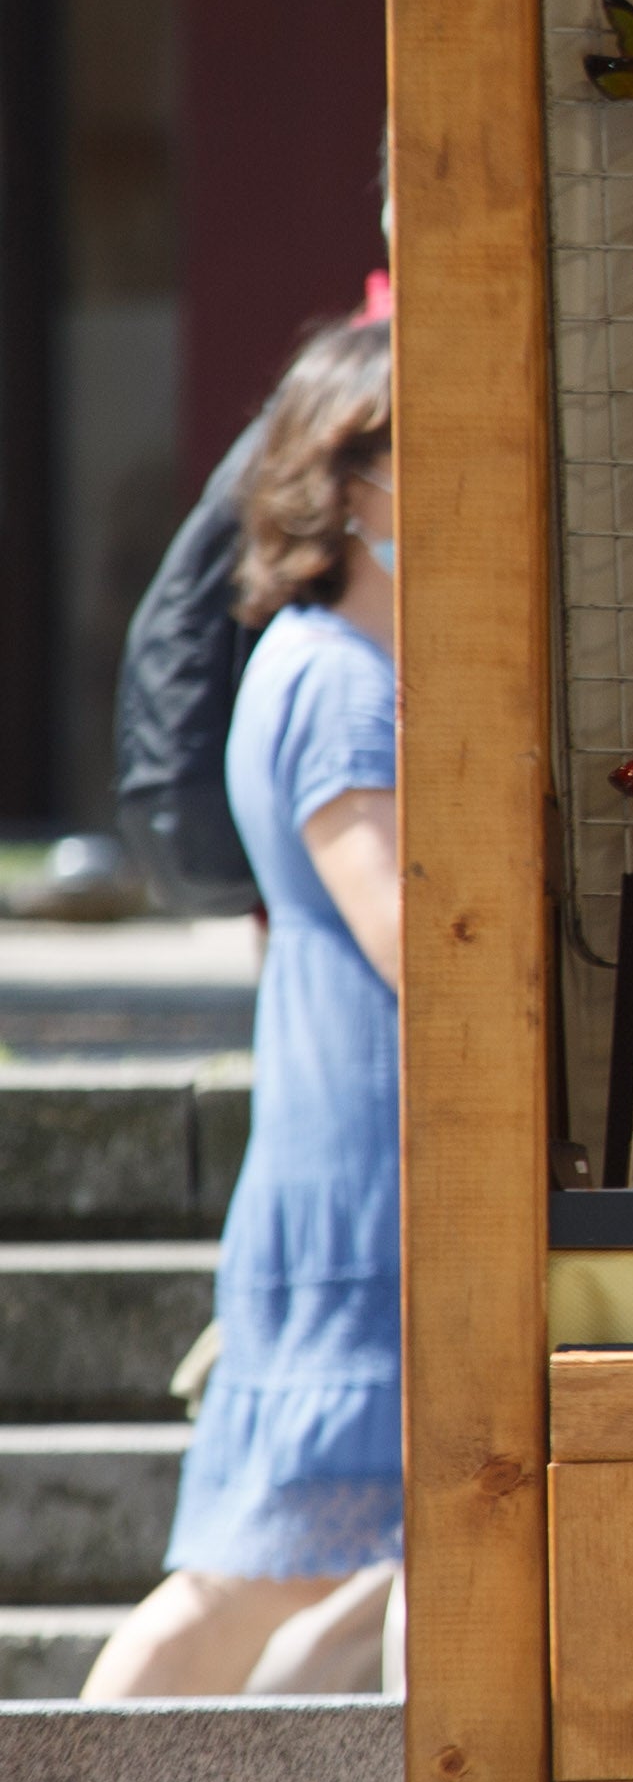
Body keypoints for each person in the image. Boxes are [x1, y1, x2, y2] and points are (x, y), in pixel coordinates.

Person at [84, 320, 404, 1702]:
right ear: (351, 483)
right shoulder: (338, 678)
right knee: (244, 1575)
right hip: (366, 1190)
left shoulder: (329, 661)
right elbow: (413, 938)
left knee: (393, 1557)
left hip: (361, 1170)